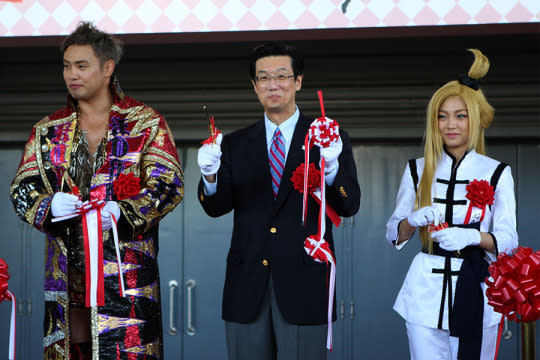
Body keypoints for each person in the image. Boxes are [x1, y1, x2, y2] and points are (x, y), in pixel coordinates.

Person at [10, 22, 183, 359]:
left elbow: (169, 183)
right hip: (66, 271)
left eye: (82, 66)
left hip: (127, 272)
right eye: (66, 66)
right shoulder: (47, 130)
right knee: (69, 349)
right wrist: (47, 205)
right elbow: (21, 187)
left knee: (128, 349)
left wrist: (125, 211)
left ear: (107, 68)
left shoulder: (144, 122)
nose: (71, 74)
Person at [197, 42, 360, 359]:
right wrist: (209, 176)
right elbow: (216, 208)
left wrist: (332, 168)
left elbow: (349, 204)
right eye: (264, 77)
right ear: (254, 85)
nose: (273, 84)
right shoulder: (235, 143)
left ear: (298, 81)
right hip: (246, 288)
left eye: (282, 76)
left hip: (305, 284)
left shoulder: (326, 136)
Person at [385, 49, 518, 360]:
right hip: (424, 292)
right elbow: (394, 234)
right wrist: (413, 220)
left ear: (475, 119)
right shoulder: (416, 169)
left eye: (460, 115)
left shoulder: (497, 172)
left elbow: (509, 242)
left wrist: (473, 237)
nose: (450, 125)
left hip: (478, 290)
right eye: (442, 116)